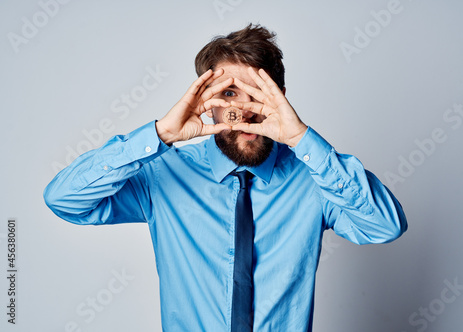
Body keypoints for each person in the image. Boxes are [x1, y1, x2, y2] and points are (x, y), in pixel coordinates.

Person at [44, 24, 408, 331]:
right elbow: (65, 199)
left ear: (280, 97)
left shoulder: (316, 178)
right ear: (206, 100)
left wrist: (302, 139)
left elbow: (383, 225)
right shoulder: (163, 173)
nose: (245, 111)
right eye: (229, 93)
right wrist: (158, 135)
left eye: (258, 94)